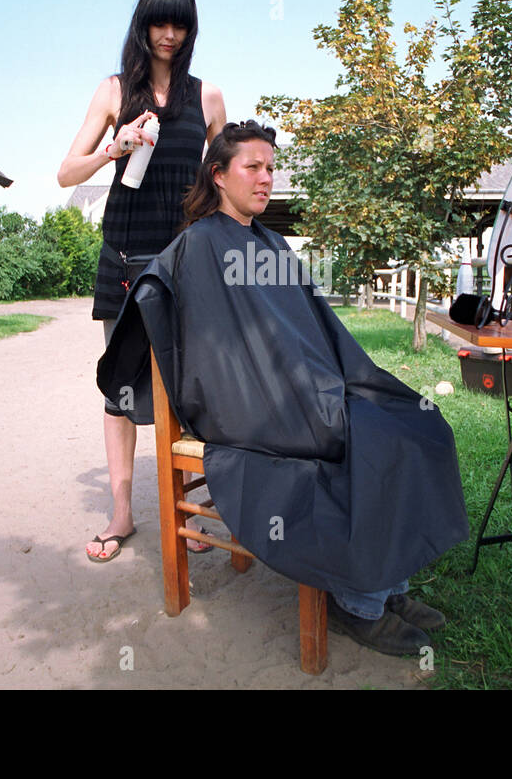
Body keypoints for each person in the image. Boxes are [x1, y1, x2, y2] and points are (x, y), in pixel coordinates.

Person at [98, 121, 469, 655]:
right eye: (253, 167)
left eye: (271, 168)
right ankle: (358, 604)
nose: (266, 178)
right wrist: (301, 392)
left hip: (302, 389)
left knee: (414, 425)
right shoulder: (197, 246)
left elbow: (312, 330)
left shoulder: (271, 244)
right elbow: (218, 353)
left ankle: (390, 586)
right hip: (252, 404)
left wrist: (331, 382)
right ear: (219, 175)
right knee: (366, 442)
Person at [58, 0, 227, 563]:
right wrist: (116, 145)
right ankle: (124, 513)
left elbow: (220, 180)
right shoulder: (113, 92)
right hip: (125, 256)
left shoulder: (207, 99)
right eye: (160, 22)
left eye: (179, 24)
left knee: (191, 388)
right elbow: (65, 173)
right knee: (122, 387)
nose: (170, 34)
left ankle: (191, 511)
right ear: (143, 25)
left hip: (184, 261)